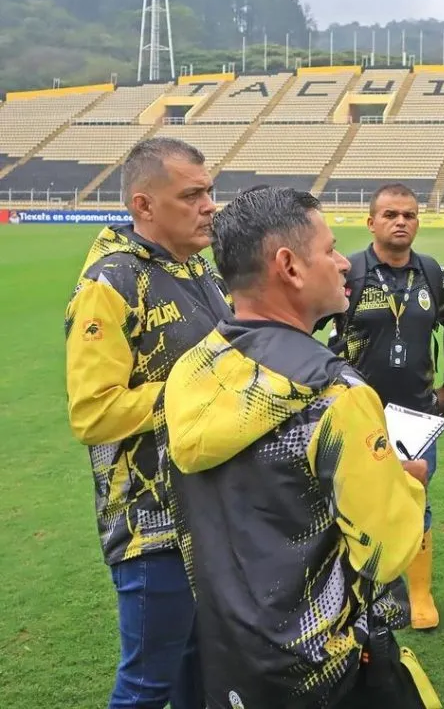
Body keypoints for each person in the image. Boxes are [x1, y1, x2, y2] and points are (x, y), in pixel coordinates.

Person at [157, 186, 432, 709]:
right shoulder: (337, 395)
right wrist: (405, 484)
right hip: (327, 668)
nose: (343, 264)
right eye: (330, 250)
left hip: (229, 655)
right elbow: (384, 553)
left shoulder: (191, 369)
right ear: (289, 266)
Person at [65, 137, 230, 709]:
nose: (209, 205)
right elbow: (94, 412)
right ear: (144, 204)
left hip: (208, 509)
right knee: (146, 687)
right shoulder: (108, 285)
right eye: (192, 195)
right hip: (149, 522)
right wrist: (202, 390)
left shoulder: (200, 271)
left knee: (198, 676)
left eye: (209, 191)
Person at [327, 183, 444, 631]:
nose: (401, 221)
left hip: (417, 414)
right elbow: (310, 323)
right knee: (356, 501)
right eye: (390, 214)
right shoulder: (349, 272)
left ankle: (419, 593)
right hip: (358, 412)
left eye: (409, 214)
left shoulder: (433, 274)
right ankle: (364, 589)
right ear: (371, 222)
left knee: (415, 500)